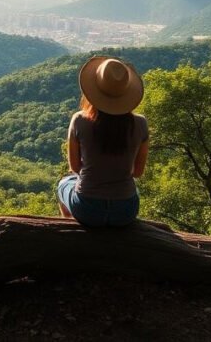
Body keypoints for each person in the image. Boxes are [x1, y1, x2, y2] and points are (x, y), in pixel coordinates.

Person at [56, 55, 149, 227]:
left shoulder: (79, 120)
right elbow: (137, 172)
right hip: (125, 210)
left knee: (63, 184)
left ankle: (70, 230)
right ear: (126, 93)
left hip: (87, 208)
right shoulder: (141, 123)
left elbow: (75, 167)